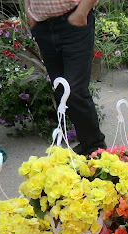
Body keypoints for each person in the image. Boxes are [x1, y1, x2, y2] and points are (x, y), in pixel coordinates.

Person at [25, 0, 107, 156]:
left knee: (74, 90)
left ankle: (95, 148)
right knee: (62, 90)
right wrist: (28, 10)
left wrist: (81, 12)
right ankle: (87, 144)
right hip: (43, 26)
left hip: (73, 21)